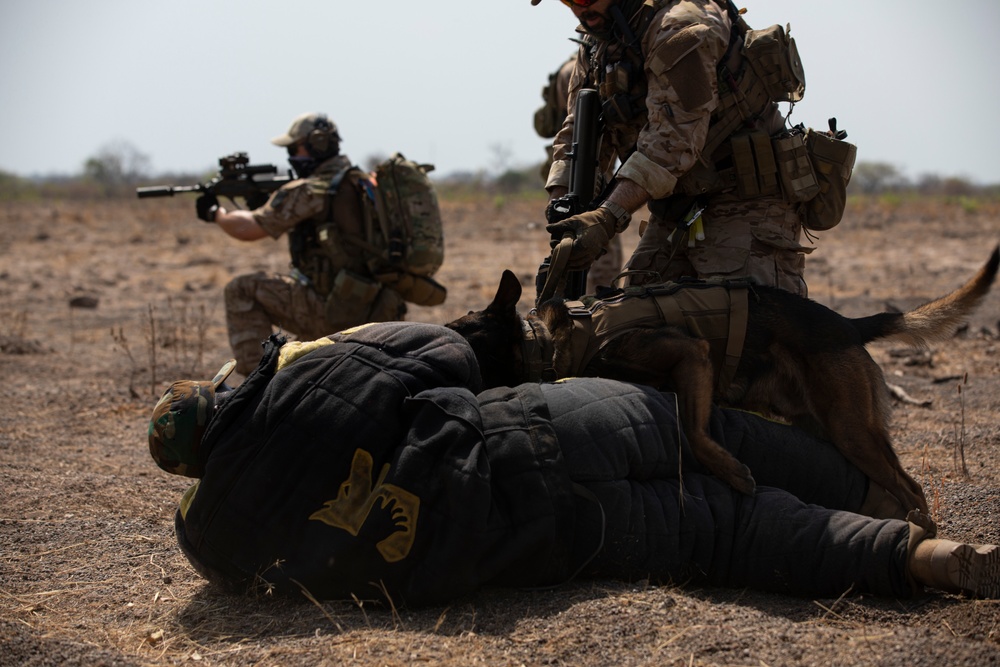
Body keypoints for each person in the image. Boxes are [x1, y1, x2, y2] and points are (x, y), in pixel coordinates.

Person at [148, 321, 999, 607]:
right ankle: (880, 494)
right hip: (539, 430)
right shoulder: (300, 377)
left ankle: (913, 559)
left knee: (722, 531)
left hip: (530, 538)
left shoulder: (210, 534)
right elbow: (446, 352)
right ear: (223, 403)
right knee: (702, 435)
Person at [532, 0, 815, 297]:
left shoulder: (681, 27)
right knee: (637, 323)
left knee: (747, 321)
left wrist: (605, 219)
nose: (578, 8)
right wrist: (562, 216)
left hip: (746, 198)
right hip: (679, 207)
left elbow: (672, 142)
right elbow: (576, 136)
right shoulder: (598, 44)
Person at [195, 112, 407, 375]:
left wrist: (215, 213)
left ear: (317, 145)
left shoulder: (311, 189)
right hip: (381, 309)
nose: (292, 155)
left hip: (334, 311)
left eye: (295, 148)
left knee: (241, 289)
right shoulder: (365, 183)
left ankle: (263, 378)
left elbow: (248, 229)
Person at [535, 53, 624, 293]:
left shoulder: (568, 69)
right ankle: (596, 299)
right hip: (584, 169)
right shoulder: (583, 67)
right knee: (597, 245)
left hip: (569, 169)